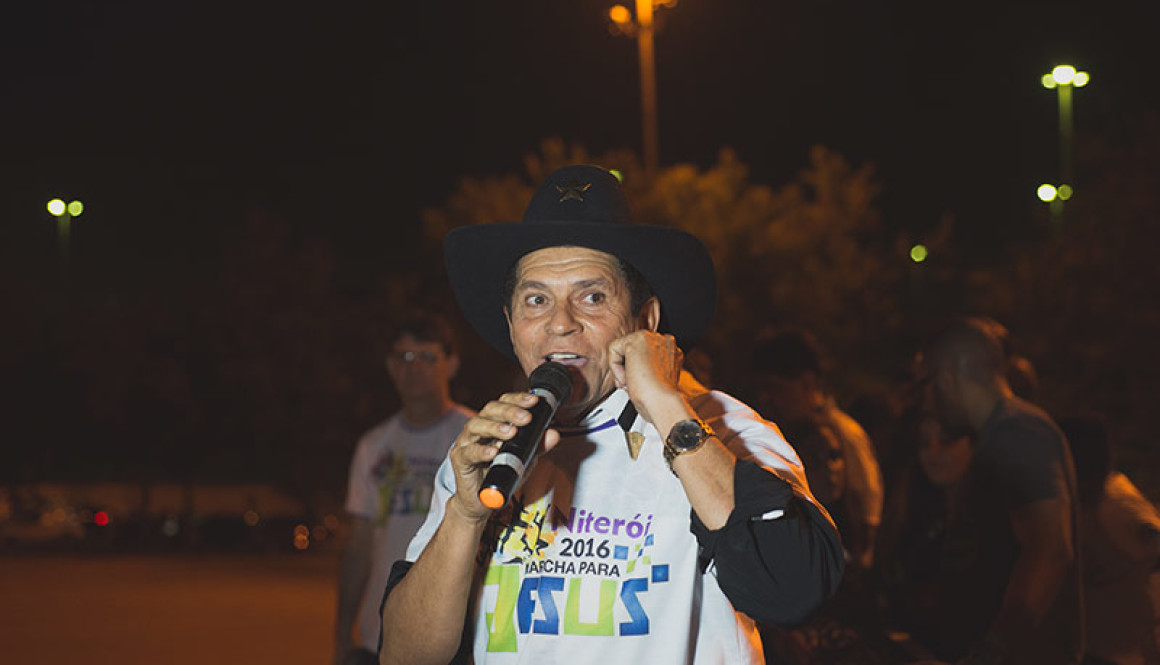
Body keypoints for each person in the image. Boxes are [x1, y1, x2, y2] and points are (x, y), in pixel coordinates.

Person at [379, 165, 844, 664]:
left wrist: (666, 407)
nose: (560, 323)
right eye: (536, 300)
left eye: (592, 297)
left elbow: (794, 592)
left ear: (645, 320)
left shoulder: (726, 429)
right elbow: (404, 657)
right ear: (512, 325)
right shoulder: (490, 448)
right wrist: (465, 514)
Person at [919, 317, 1083, 665]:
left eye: (927, 383)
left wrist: (991, 653)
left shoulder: (1018, 432)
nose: (926, 401)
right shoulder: (1001, 434)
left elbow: (1050, 550)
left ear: (947, 378)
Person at [333, 312, 475, 665]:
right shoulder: (374, 446)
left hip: (451, 636)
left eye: (427, 357)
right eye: (405, 357)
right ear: (391, 367)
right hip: (377, 636)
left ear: (451, 364)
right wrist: (342, 632)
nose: (414, 368)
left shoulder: (475, 437)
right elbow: (359, 546)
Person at [751, 327, 884, 569]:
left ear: (807, 383)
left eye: (775, 389)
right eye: (761, 390)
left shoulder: (844, 433)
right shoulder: (780, 432)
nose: (766, 399)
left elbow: (869, 509)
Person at [1060, 414, 1160, 665]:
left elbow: (1151, 537)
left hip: (1119, 652)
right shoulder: (1082, 503)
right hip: (1100, 646)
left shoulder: (1117, 502)